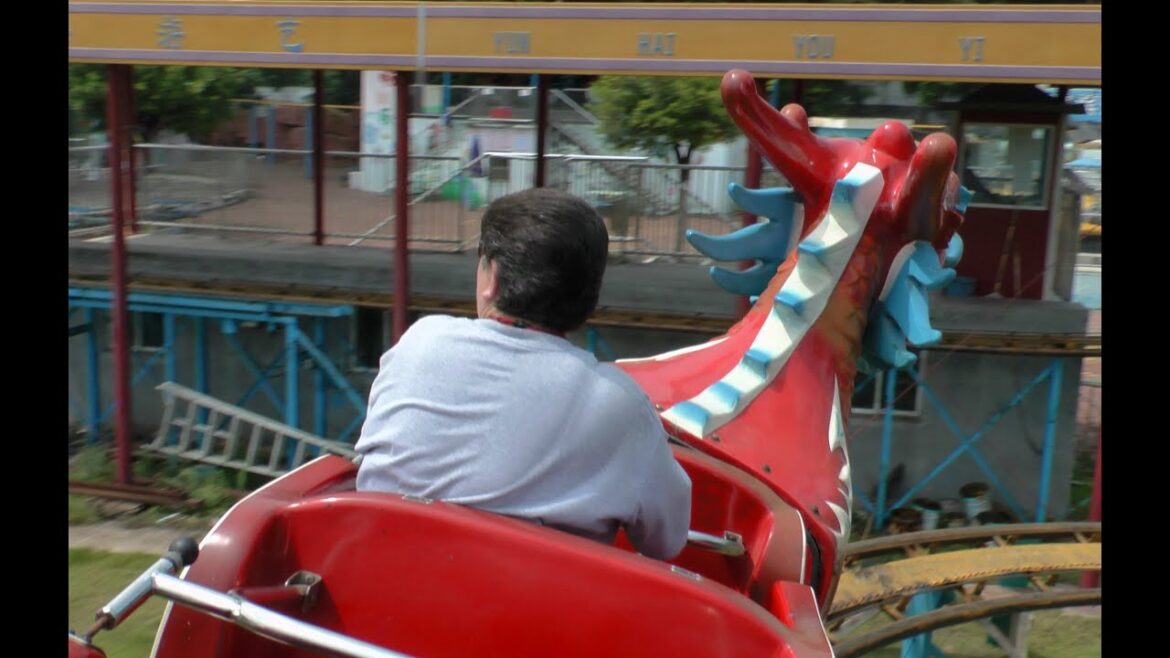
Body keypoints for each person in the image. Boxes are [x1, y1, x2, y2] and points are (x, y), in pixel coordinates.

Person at [355, 187, 692, 560]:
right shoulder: (622, 404)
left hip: (382, 580)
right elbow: (667, 538)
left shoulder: (419, 342)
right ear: (589, 296)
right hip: (535, 610)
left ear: (492, 277)